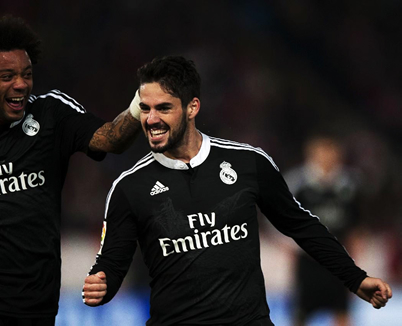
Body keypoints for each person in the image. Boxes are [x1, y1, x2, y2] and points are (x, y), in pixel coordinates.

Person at [82, 56, 392, 325]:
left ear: (192, 108)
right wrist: (102, 283)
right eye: (145, 109)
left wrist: (355, 278)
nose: (151, 119)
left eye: (163, 108)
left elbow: (303, 226)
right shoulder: (129, 186)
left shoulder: (247, 163)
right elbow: (112, 262)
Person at [0, 14, 142, 326]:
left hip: (38, 304)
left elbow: (109, 139)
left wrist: (141, 104)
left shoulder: (51, 114)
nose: (21, 84)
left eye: (26, 74)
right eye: (7, 76)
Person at [284, 136, 361, 326]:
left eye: (330, 151)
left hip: (338, 260)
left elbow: (355, 227)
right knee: (301, 313)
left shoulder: (350, 185)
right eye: (321, 152)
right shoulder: (297, 184)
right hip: (309, 260)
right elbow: (280, 220)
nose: (326, 157)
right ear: (311, 154)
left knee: (342, 312)